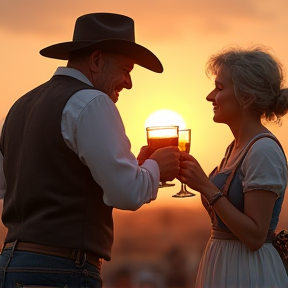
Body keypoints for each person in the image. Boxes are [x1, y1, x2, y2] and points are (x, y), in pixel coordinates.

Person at [0, 13, 181, 286]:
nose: (129, 83)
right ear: (96, 60)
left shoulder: (19, 105)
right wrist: (156, 168)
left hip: (10, 266)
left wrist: (138, 169)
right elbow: (127, 193)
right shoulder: (92, 101)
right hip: (61, 270)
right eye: (126, 69)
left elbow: (6, 186)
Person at [177, 45, 288, 287]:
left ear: (246, 98)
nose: (209, 97)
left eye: (219, 88)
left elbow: (255, 235)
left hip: (248, 271)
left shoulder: (263, 151)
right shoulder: (233, 148)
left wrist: (206, 186)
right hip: (223, 264)